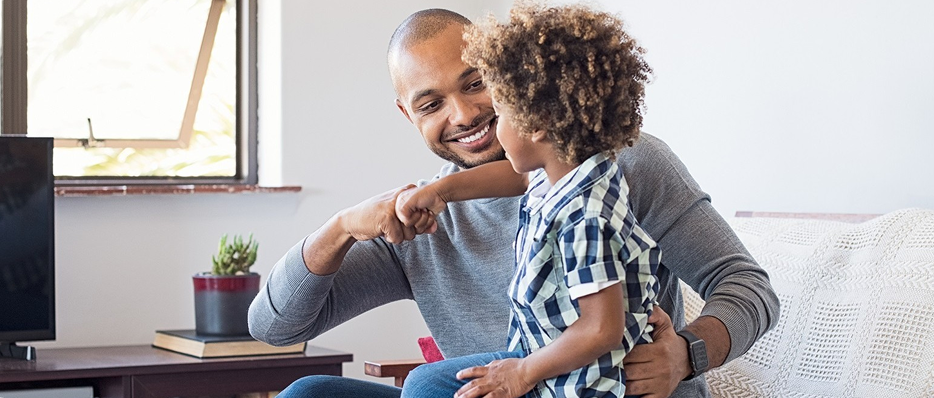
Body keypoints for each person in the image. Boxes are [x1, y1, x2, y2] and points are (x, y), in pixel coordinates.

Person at [247, 6, 780, 398]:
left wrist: (686, 354)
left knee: (429, 386)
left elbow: (748, 287)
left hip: (599, 389)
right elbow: (275, 327)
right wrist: (340, 227)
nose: (463, 115)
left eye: (475, 84)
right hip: (497, 389)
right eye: (431, 103)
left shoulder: (621, 167)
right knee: (311, 395)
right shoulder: (424, 216)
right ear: (408, 116)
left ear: (509, 78)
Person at [391, 4, 661, 397]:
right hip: (546, 360)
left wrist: (522, 372)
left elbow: (601, 328)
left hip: (575, 382)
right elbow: (516, 177)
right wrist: (438, 192)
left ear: (536, 125)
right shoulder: (564, 173)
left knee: (426, 383)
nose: (480, 122)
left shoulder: (584, 216)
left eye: (500, 112)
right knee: (323, 390)